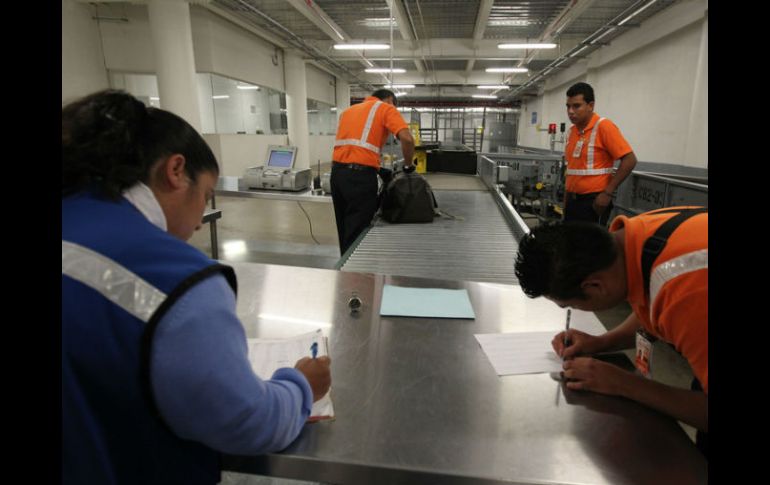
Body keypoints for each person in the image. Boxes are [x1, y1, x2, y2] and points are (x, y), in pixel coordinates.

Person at [62, 90, 332, 484]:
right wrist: (301, 385)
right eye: (205, 196)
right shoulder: (172, 276)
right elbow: (247, 423)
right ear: (175, 170)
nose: (200, 221)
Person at [514, 207, 707, 457]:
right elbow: (650, 304)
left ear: (594, 285)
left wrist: (624, 383)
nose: (571, 309)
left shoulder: (688, 292)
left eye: (570, 305)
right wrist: (600, 343)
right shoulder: (637, 239)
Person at [331, 88, 415, 255]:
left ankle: (346, 271)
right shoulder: (385, 108)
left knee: (345, 229)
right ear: (390, 99)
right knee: (358, 233)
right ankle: (357, 276)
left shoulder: (348, 111)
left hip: (337, 175)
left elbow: (355, 148)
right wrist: (408, 166)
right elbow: (407, 139)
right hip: (360, 179)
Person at [563, 82, 638, 225]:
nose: (571, 111)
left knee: (591, 246)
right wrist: (566, 202)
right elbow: (572, 170)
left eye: (576, 106)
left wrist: (607, 193)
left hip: (594, 202)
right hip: (573, 201)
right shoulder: (572, 132)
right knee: (571, 245)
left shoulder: (603, 126)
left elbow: (630, 159)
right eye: (568, 106)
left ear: (590, 105)